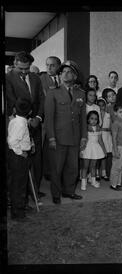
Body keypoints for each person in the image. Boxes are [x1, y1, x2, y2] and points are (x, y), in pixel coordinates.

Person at [44, 60, 87, 204]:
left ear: (75, 76)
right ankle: (56, 194)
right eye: (63, 72)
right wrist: (51, 138)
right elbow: (49, 118)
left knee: (73, 168)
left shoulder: (80, 93)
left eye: (69, 72)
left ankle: (69, 191)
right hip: (59, 138)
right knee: (57, 168)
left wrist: (84, 137)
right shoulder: (53, 92)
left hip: (75, 137)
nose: (65, 74)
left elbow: (82, 118)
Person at [6, 51, 45, 199]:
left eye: (26, 68)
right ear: (15, 64)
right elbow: (11, 102)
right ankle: (15, 198)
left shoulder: (35, 78)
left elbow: (41, 100)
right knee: (18, 165)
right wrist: (23, 120)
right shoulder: (8, 78)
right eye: (20, 68)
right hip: (19, 127)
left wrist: (38, 117)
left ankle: (33, 191)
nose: (23, 72)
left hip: (35, 125)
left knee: (36, 162)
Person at [7, 98, 32, 220]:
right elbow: (12, 141)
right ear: (30, 111)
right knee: (19, 186)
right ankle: (18, 213)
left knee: (17, 184)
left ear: (14, 109)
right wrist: (21, 152)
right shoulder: (21, 123)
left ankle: (18, 209)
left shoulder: (15, 121)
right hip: (18, 157)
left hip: (15, 156)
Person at [39, 56, 62, 182]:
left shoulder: (63, 78)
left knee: (58, 147)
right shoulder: (40, 79)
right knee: (45, 147)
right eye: (47, 64)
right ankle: (46, 172)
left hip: (61, 120)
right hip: (46, 120)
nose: (49, 67)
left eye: (52, 65)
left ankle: (56, 171)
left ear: (58, 66)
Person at [80, 111, 106, 190]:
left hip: (95, 149)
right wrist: (81, 150)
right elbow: (83, 140)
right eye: (91, 118)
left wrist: (104, 150)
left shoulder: (98, 128)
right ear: (88, 119)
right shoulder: (85, 128)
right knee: (85, 166)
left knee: (93, 166)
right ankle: (83, 183)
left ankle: (93, 181)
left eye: (95, 119)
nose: (94, 120)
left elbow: (100, 141)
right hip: (87, 148)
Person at [110, 104, 122, 190]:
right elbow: (114, 138)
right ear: (115, 113)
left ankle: (118, 183)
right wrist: (115, 150)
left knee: (121, 167)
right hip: (118, 148)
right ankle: (113, 184)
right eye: (120, 112)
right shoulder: (115, 123)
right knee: (116, 167)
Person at [97, 98, 113, 180]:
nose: (101, 107)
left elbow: (110, 127)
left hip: (107, 137)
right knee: (98, 155)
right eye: (99, 106)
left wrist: (106, 129)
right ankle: (96, 173)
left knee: (105, 155)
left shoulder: (108, 115)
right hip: (99, 136)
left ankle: (104, 173)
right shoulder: (96, 115)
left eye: (102, 106)